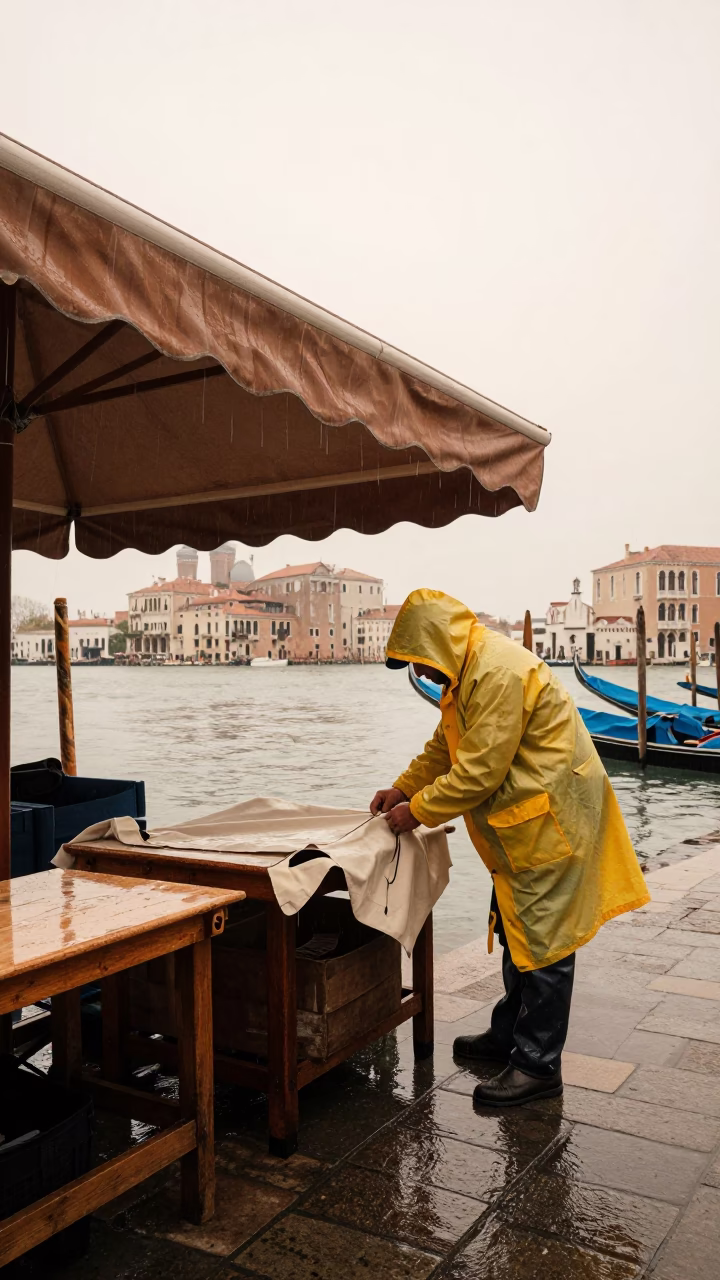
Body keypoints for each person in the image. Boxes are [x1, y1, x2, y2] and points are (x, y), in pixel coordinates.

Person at [371, 588, 649, 1107]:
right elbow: (445, 748)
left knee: (545, 941)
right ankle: (508, 1036)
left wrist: (418, 812)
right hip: (525, 821)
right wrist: (404, 786)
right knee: (518, 926)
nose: (424, 675)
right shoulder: (465, 668)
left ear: (435, 645)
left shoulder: (495, 672)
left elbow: (478, 771)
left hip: (551, 818)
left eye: (420, 664)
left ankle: (538, 1066)